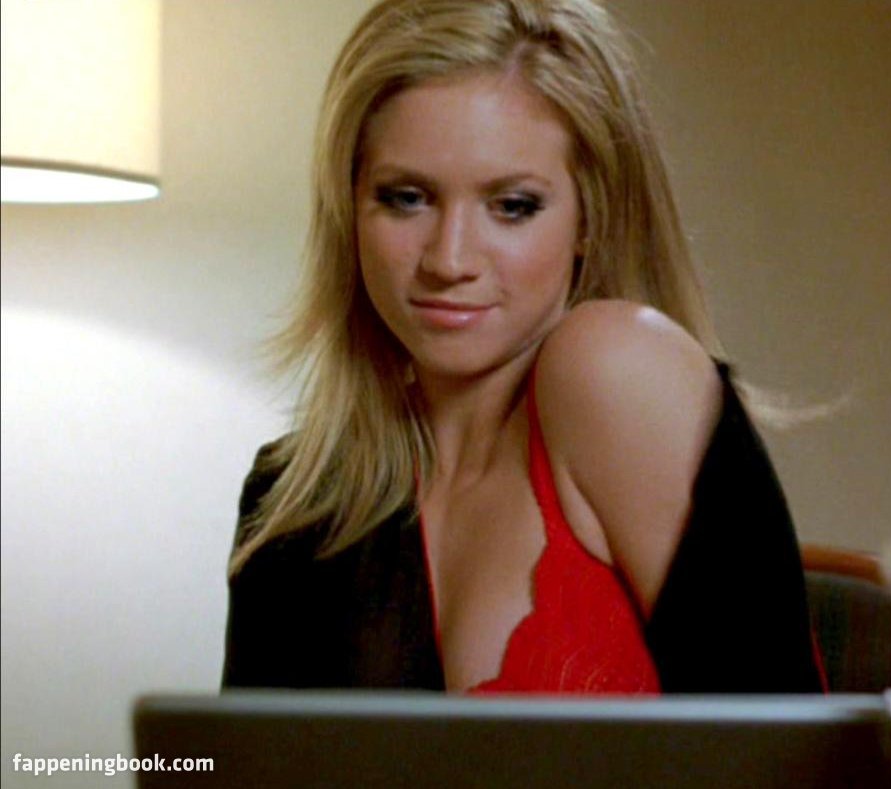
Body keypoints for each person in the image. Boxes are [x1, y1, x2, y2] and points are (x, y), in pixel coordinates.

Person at [223, 0, 823, 695]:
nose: (449, 260)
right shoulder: (292, 499)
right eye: (407, 197)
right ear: (350, 206)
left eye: (512, 206)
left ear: (591, 217)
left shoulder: (616, 371)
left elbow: (790, 744)